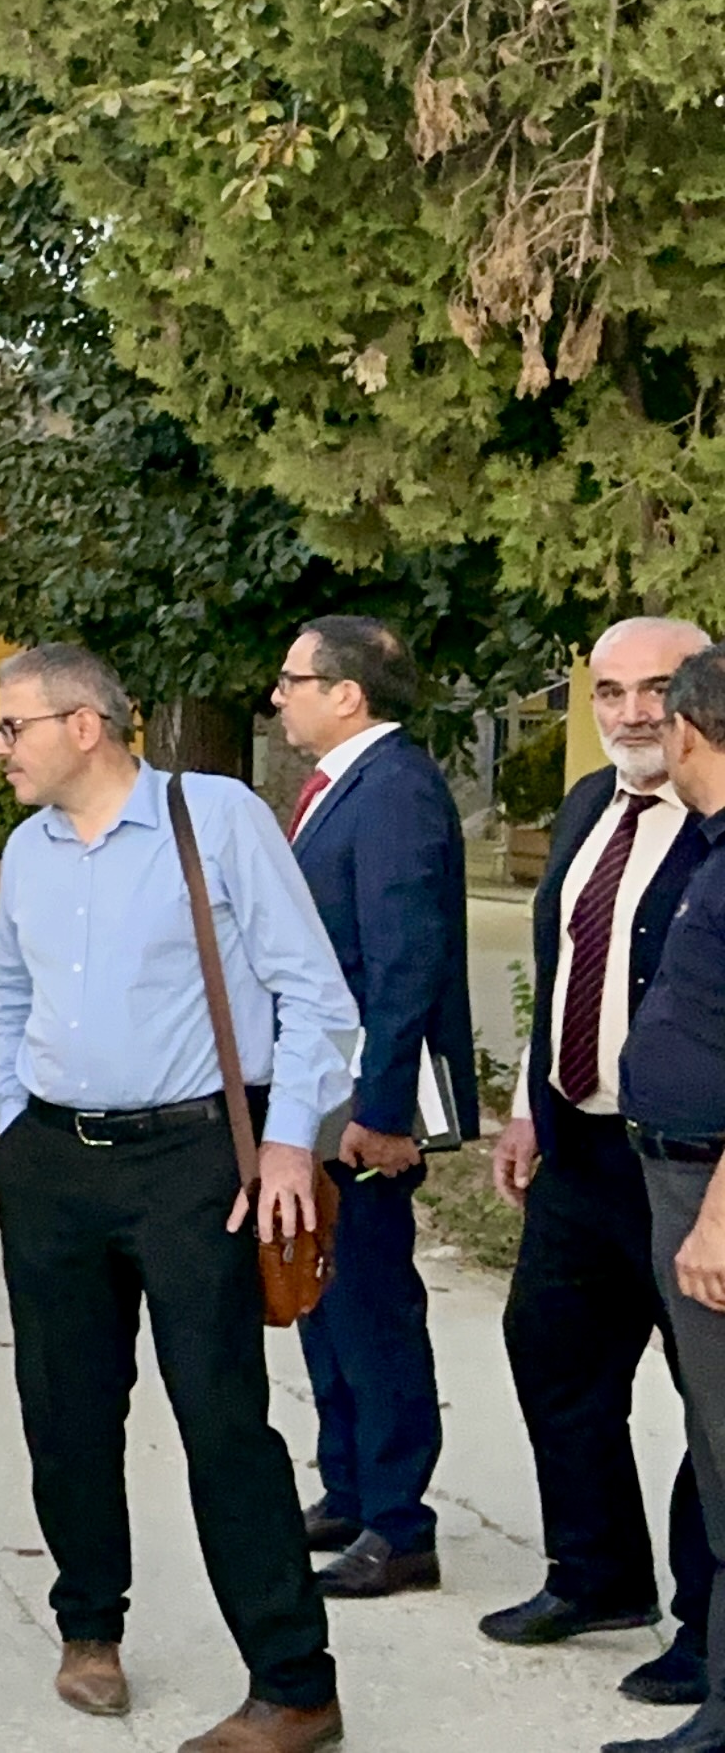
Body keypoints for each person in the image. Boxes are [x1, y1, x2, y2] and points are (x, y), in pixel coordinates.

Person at [0, 643, 353, 1753]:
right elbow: (8, 998)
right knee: (64, 1410)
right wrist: (9, 1122)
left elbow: (313, 996)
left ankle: (295, 1687)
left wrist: (289, 1146)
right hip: (52, 1163)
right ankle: (88, 1629)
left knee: (222, 1420)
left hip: (196, 1165)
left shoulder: (215, 818)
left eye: (12, 727)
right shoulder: (28, 850)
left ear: (84, 726)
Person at [487, 616, 717, 1707]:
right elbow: (562, 967)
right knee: (551, 1352)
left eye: (656, 688)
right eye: (610, 691)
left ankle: (707, 1628)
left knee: (707, 1396)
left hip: (684, 1162)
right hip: (579, 1144)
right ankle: (596, 1573)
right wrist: (528, 1108)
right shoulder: (587, 807)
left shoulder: (716, 827)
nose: (633, 713)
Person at [268, 615, 465, 1599]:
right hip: (320, 1088)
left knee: (373, 1304)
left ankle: (399, 1522)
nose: (277, 696)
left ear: (347, 694)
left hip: (363, 1100)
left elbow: (404, 960)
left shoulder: (393, 791)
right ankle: (347, 1487)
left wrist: (381, 1111)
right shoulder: (342, 786)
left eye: (292, 679)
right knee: (325, 1295)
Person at [615, 644, 725, 1753]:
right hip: (671, 1170)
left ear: (688, 732)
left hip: (709, 1185)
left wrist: (719, 1216)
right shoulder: (710, 848)